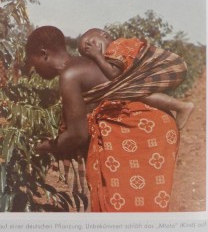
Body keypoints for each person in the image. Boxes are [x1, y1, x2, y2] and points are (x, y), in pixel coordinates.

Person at [26, 25, 181, 212]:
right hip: (156, 127)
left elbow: (78, 135)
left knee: (126, 209)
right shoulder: (88, 63)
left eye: (33, 63)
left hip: (139, 132)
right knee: (140, 208)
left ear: (44, 54)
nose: (35, 70)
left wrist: (39, 148)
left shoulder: (69, 75)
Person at [78, 28, 194, 130]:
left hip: (167, 67)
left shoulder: (117, 46)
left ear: (104, 35)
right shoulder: (120, 47)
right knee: (137, 90)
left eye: (90, 44)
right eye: (86, 53)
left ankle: (182, 107)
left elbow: (113, 73)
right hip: (168, 67)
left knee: (136, 91)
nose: (89, 51)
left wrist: (97, 56)